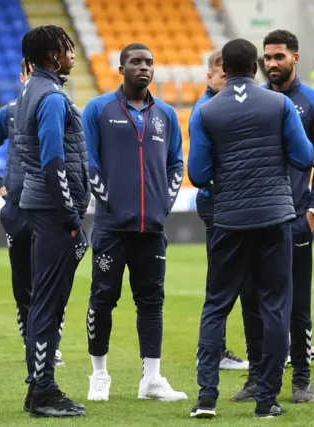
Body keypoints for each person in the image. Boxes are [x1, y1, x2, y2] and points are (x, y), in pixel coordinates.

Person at [187, 38, 314, 419]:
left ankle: (206, 398)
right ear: (256, 65)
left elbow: (198, 174)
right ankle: (266, 402)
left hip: (228, 220)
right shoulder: (279, 104)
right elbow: (304, 156)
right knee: (275, 307)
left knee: (215, 306)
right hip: (275, 218)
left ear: (224, 66)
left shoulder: (206, 111)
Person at [231, 30, 314, 405]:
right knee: (250, 300)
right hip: (255, 217)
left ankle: (302, 379)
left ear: (295, 57)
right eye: (267, 57)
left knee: (297, 303)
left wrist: (313, 209)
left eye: (279, 57)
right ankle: (257, 377)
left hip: (293, 218)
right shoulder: (254, 101)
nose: (271, 63)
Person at [81, 43, 187, 402]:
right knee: (102, 300)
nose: (144, 68)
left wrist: (163, 204)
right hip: (112, 228)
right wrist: (109, 202)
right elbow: (88, 163)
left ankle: (152, 380)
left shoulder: (167, 115)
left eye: (149, 63)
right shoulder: (98, 109)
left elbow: (176, 165)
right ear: (122, 69)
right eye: (136, 62)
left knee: (152, 302)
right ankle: (99, 375)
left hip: (152, 230)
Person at [15, 25, 90, 418]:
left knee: (43, 302)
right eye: (67, 48)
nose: (73, 55)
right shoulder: (52, 97)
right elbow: (53, 160)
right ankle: (43, 391)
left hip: (39, 209)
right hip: (53, 214)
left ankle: (38, 390)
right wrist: (71, 216)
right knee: (48, 305)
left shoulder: (30, 89)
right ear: (51, 56)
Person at [0, 59, 65, 369]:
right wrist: (0, 187)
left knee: (52, 282)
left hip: (48, 208)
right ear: (23, 76)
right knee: (23, 286)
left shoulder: (57, 105)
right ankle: (32, 345)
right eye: (30, 72)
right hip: (18, 212)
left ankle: (50, 345)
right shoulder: (10, 112)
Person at [192, 50, 250, 371]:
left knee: (236, 278)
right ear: (210, 78)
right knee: (222, 281)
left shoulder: (219, 107)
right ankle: (216, 351)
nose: (228, 82)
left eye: (231, 75)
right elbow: (202, 170)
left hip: (224, 202)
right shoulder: (205, 110)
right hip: (217, 203)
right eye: (222, 77)